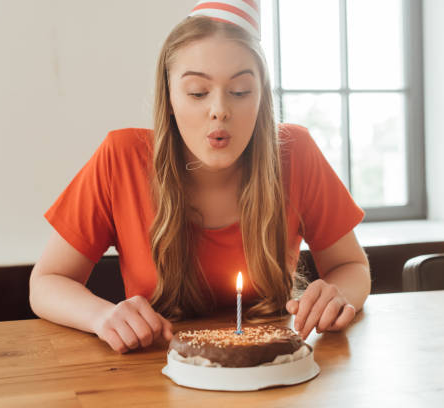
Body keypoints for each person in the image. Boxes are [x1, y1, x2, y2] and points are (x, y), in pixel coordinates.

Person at [29, 0, 371, 354]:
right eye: (197, 92)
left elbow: (351, 265)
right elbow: (46, 283)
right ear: (171, 95)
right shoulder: (122, 157)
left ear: (261, 97)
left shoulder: (296, 151)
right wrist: (102, 316)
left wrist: (337, 295)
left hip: (272, 368)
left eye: (240, 92)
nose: (219, 110)